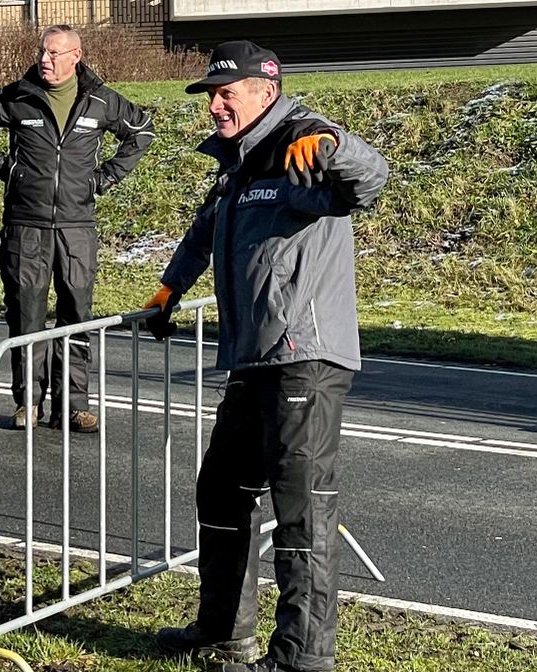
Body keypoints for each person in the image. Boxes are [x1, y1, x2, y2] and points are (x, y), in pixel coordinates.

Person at [145, 41, 388, 672]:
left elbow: (370, 178)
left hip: (305, 357)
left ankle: (303, 659)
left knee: (302, 508)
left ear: (266, 91)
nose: (216, 107)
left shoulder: (298, 149)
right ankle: (224, 632)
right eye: (212, 96)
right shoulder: (239, 166)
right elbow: (205, 231)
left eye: (227, 94)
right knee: (222, 492)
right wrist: (170, 288)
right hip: (255, 360)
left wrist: (332, 141)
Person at [0, 24, 154, 434]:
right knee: (27, 316)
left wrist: (103, 179)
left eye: (55, 53)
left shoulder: (100, 101)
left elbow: (142, 132)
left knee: (76, 315)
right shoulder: (19, 96)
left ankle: (74, 405)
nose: (45, 59)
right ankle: (28, 402)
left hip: (77, 226)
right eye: (43, 52)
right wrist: (4, 168)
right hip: (26, 226)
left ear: (75, 56)